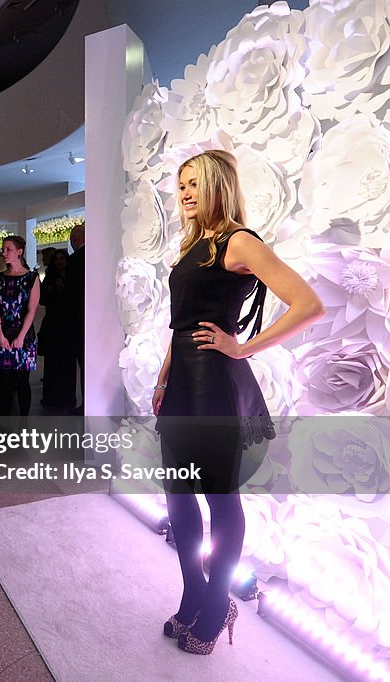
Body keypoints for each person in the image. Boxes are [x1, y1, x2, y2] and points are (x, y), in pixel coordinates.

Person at [152, 150, 323, 655]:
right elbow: (180, 323)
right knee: (178, 497)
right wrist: (163, 378)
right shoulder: (193, 246)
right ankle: (194, 595)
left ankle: (214, 602)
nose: (184, 193)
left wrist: (243, 345)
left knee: (219, 499)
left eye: (193, 184)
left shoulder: (237, 241)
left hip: (215, 388)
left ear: (217, 186)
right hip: (182, 383)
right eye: (180, 184)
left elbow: (308, 303)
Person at [0, 235, 39, 415]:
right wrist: (1, 335)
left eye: (8, 249)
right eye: (3, 249)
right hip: (3, 332)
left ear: (19, 252)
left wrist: (21, 337)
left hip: (24, 334)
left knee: (22, 381)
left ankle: (23, 423)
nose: (4, 253)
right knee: (5, 382)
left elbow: (31, 311)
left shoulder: (32, 278)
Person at [38, 249, 75, 410]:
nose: (59, 262)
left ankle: (67, 397)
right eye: (57, 259)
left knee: (67, 362)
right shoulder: (49, 279)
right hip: (53, 323)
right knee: (52, 361)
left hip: (67, 324)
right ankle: (51, 396)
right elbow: (43, 299)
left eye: (62, 258)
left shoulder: (73, 278)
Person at [63, 224, 85, 414]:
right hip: (91, 320)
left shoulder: (76, 260)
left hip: (77, 321)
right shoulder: (94, 257)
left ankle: (87, 403)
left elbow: (69, 294)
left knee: (83, 363)